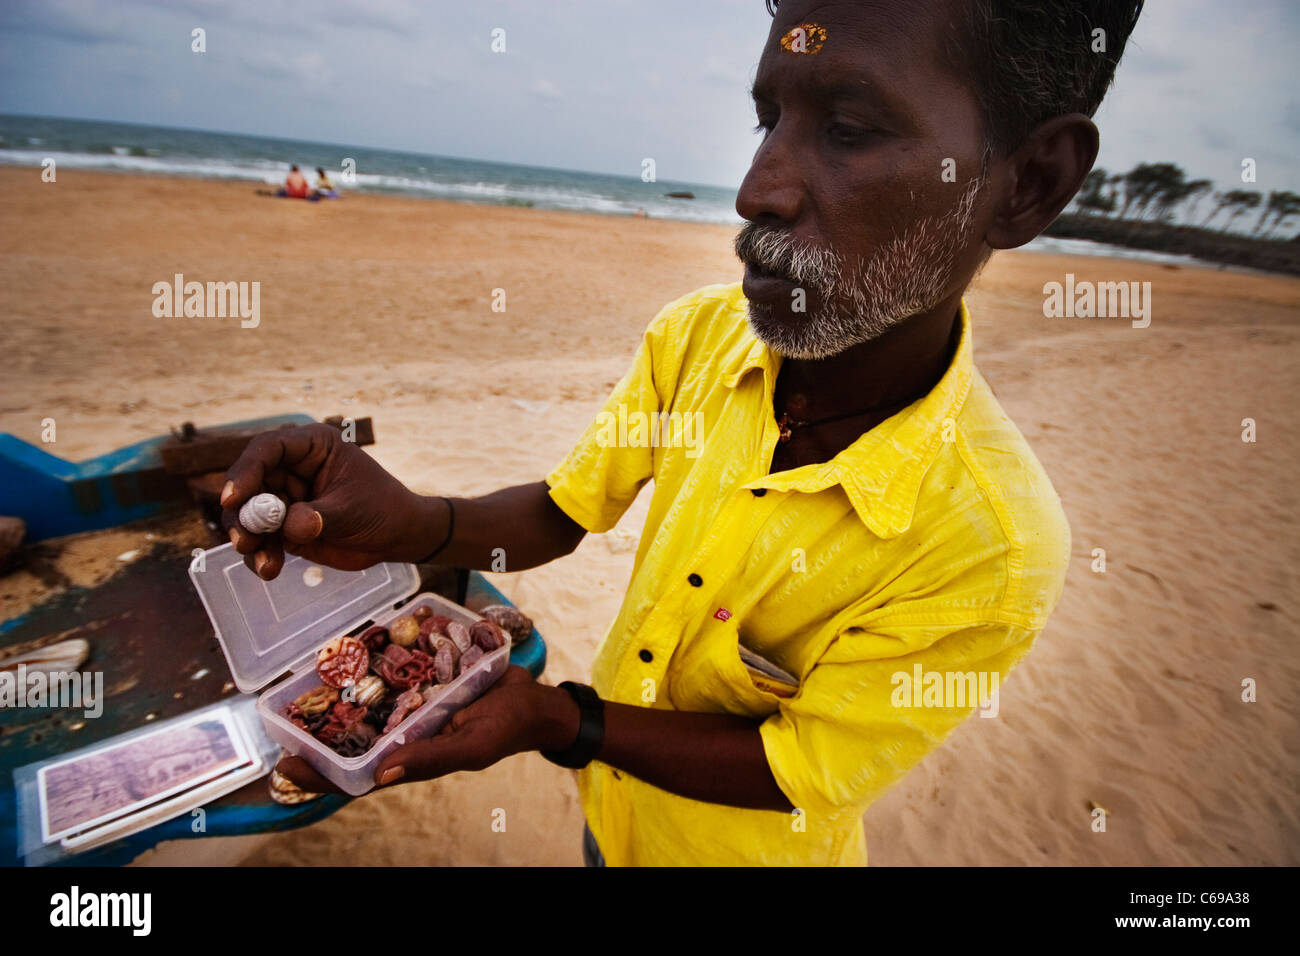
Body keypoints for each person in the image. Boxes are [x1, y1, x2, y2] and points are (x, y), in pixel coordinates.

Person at [222, 0, 1143, 866]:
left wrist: (560, 723)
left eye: (850, 130)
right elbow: (558, 512)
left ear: (1028, 183)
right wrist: (412, 522)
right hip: (608, 823)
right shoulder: (701, 339)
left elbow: (797, 769)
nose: (755, 191)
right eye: (768, 119)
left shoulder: (994, 544)